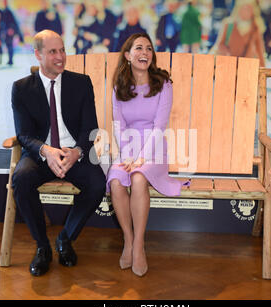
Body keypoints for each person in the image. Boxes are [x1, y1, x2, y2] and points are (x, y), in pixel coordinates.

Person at [11, 30, 106, 276]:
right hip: (41, 155)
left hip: (73, 153)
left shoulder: (81, 83)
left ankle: (65, 239)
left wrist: (77, 152)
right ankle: (43, 247)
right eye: (53, 51)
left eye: (62, 50)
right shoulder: (21, 88)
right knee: (21, 179)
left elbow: (90, 127)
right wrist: (46, 151)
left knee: (97, 183)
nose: (60, 56)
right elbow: (23, 135)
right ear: (38, 55)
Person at [106, 33, 185, 277]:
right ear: (128, 56)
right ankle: (128, 241)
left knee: (139, 178)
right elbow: (118, 125)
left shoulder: (163, 84)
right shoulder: (120, 87)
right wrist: (128, 156)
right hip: (128, 149)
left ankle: (139, 246)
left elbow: (160, 126)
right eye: (139, 48)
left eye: (149, 49)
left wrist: (141, 158)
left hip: (154, 149)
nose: (145, 53)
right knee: (117, 180)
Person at [209, 0, 266, 67]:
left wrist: (263, 68)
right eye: (243, 8)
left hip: (245, 66)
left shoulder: (256, 28)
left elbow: (260, 51)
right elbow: (220, 44)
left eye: (248, 9)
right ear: (238, 9)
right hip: (228, 65)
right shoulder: (229, 24)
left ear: (253, 11)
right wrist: (227, 54)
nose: (246, 11)